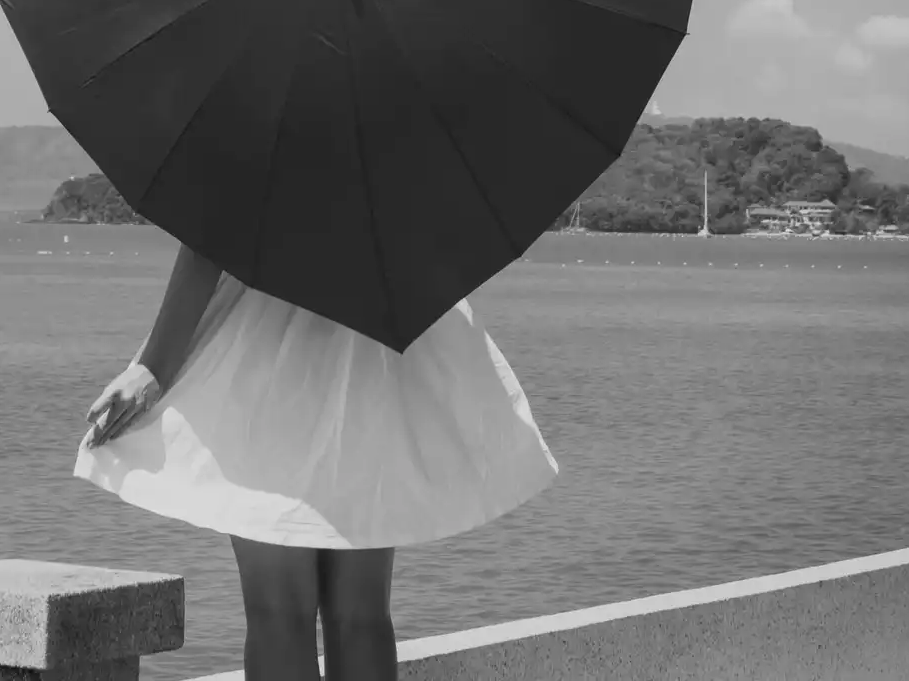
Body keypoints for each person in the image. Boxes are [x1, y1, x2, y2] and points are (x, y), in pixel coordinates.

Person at [77, 243, 558, 681]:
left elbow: (210, 230)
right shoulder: (399, 144)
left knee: (279, 614)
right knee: (362, 615)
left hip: (270, 343)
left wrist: (156, 365)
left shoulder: (256, 142)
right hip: (375, 339)